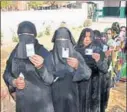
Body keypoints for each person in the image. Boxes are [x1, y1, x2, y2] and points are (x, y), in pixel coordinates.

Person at [3, 21, 54, 112]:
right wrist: (14, 82)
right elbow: (6, 73)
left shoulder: (43, 53)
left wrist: (41, 67)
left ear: (34, 36)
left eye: (28, 35)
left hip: (41, 105)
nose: (25, 39)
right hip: (22, 104)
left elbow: (50, 80)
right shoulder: (15, 53)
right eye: (22, 35)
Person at [45, 27, 91, 112]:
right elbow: (45, 79)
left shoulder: (75, 55)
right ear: (55, 41)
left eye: (64, 40)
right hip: (54, 101)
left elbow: (87, 74)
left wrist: (78, 66)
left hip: (72, 99)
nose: (62, 44)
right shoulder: (50, 56)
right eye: (59, 40)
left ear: (69, 41)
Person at [76, 28, 108, 112]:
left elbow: (105, 68)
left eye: (90, 37)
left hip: (94, 87)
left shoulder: (99, 51)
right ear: (81, 37)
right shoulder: (75, 50)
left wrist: (98, 60)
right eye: (85, 36)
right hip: (79, 85)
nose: (87, 39)